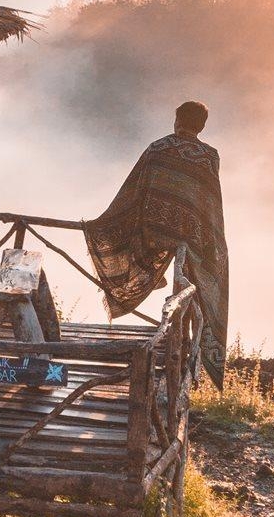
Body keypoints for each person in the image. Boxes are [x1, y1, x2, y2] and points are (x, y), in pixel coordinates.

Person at [84, 101, 228, 386]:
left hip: (152, 232)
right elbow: (209, 204)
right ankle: (183, 347)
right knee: (192, 283)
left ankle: (155, 283)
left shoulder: (157, 148)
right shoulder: (209, 157)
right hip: (190, 238)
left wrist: (103, 224)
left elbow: (133, 190)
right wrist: (208, 240)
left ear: (177, 121)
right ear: (202, 126)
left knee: (180, 285)